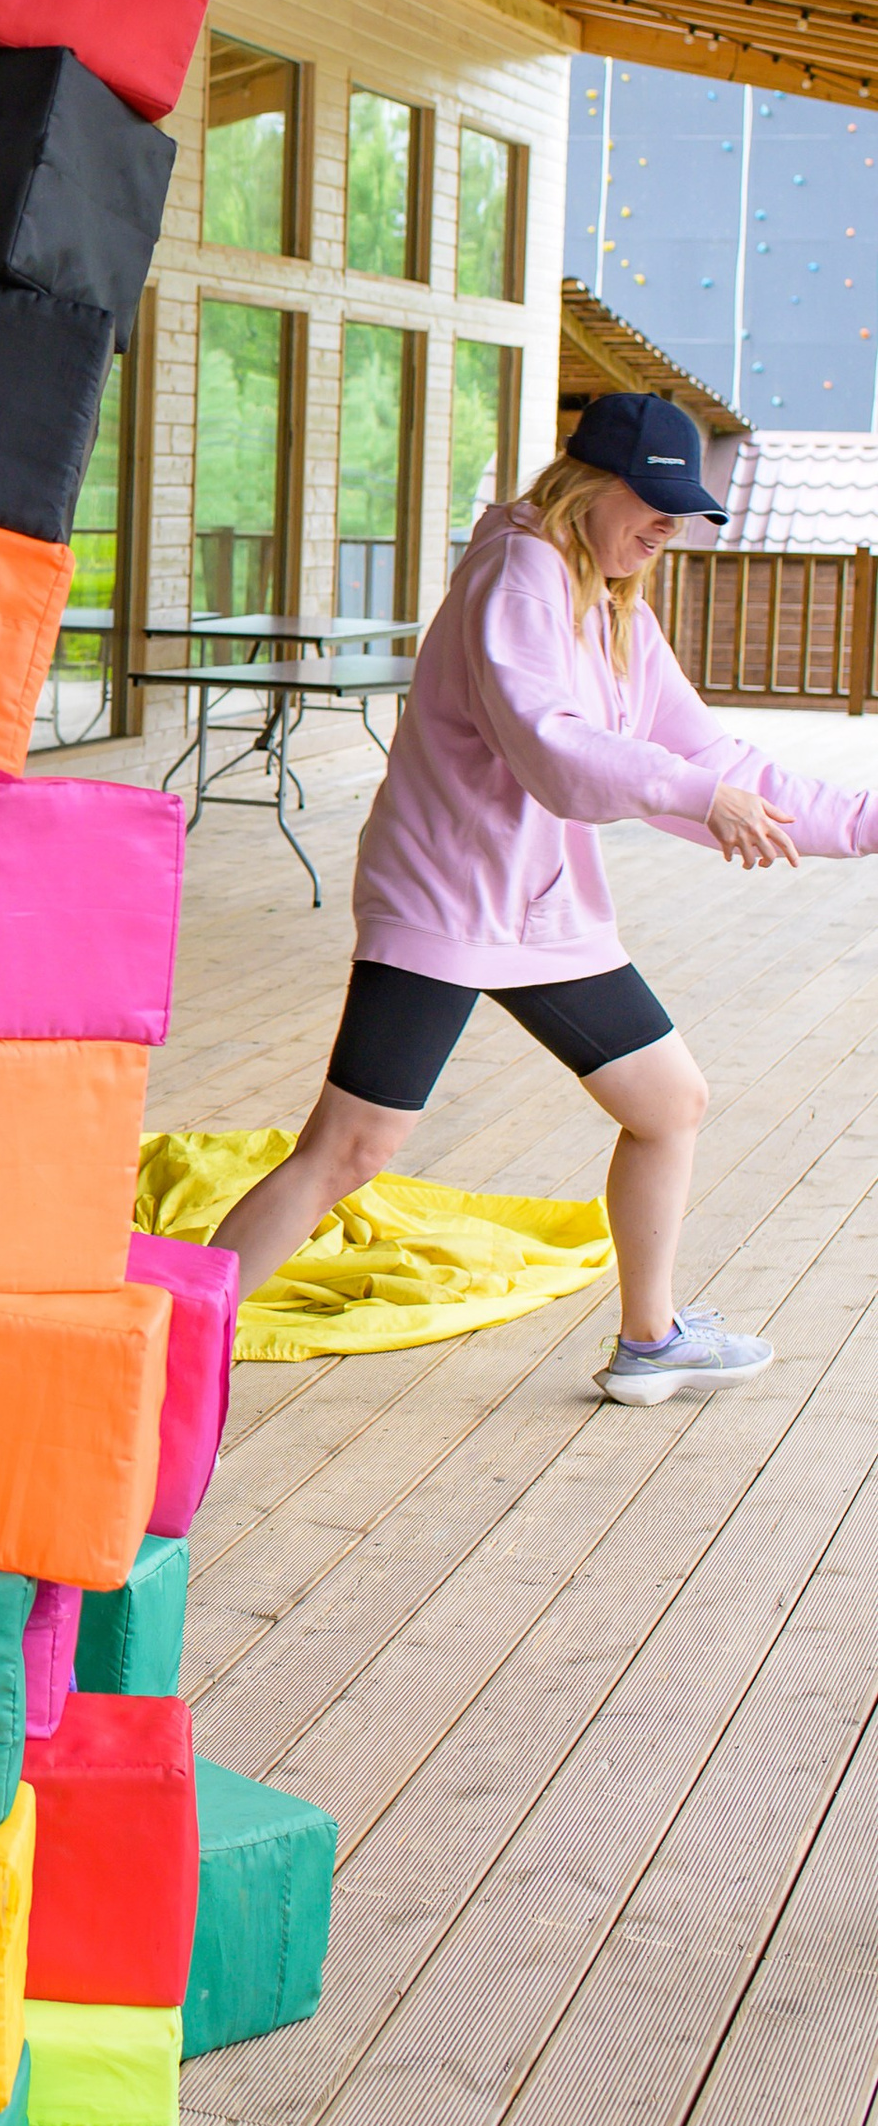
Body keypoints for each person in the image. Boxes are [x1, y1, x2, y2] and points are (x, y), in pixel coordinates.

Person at [215, 394, 878, 1399]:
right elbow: (555, 751)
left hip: (540, 911)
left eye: (682, 510)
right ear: (586, 485)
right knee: (349, 1148)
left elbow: (712, 753)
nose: (667, 526)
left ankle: (650, 1339)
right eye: (650, 502)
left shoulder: (614, 606)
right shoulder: (519, 571)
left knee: (669, 1103)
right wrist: (701, 796)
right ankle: (162, 1343)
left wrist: (863, 820)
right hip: (445, 897)